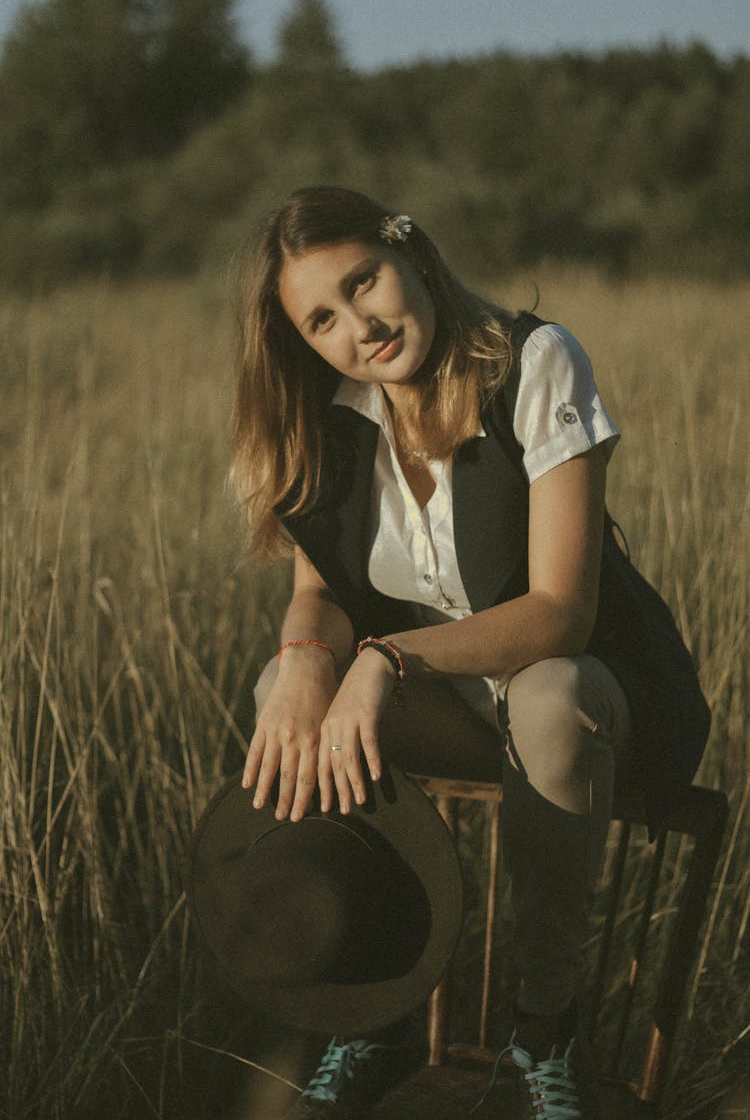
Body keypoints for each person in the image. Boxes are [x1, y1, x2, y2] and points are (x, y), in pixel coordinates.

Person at [229, 186, 710, 1119]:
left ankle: (546, 1027)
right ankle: (378, 1008)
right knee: (276, 686)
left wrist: (384, 660)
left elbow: (561, 612)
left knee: (545, 694)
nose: (359, 328)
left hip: (587, 694)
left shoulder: (533, 362)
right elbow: (321, 590)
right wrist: (302, 659)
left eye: (364, 282)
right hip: (459, 711)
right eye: (322, 319)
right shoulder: (331, 414)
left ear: (407, 248)